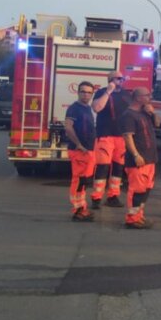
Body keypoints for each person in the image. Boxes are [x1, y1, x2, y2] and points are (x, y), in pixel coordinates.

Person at [90, 71, 133, 207]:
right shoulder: (102, 92)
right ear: (110, 80)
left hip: (121, 136)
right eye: (118, 78)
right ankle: (96, 197)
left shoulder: (126, 95)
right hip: (105, 135)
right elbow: (96, 108)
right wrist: (108, 92)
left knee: (118, 168)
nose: (122, 80)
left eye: (122, 78)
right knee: (103, 166)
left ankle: (113, 196)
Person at [119, 87, 159, 230]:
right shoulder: (129, 115)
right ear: (138, 98)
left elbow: (157, 124)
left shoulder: (144, 113)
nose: (150, 97)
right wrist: (136, 155)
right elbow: (128, 136)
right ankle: (132, 218)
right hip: (138, 159)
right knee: (137, 189)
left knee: (146, 189)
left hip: (149, 159)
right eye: (147, 95)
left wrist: (152, 113)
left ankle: (139, 215)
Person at [63, 81, 97, 222]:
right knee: (78, 181)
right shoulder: (74, 108)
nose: (86, 94)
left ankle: (82, 207)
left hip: (88, 151)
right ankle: (77, 210)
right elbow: (68, 127)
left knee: (83, 181)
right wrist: (78, 144)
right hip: (79, 151)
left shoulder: (88, 108)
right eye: (83, 91)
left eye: (89, 92)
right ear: (78, 92)